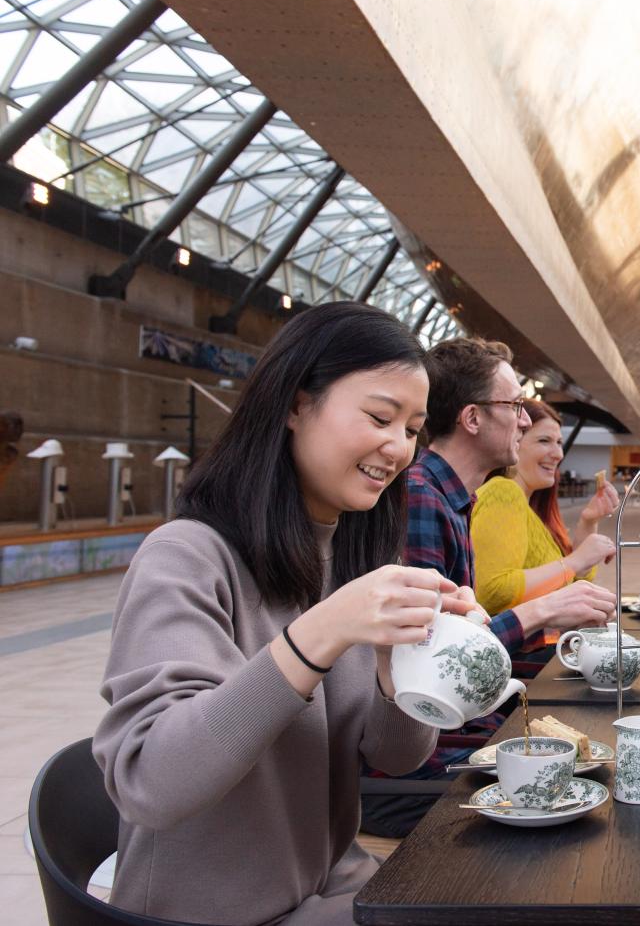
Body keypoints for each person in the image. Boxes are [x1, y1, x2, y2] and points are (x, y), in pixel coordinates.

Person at [92, 303, 475, 925]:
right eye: (380, 417)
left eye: (412, 429)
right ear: (296, 404)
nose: (398, 447)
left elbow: (398, 755)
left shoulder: (350, 557)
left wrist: (407, 663)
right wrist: (322, 633)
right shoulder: (187, 556)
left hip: (332, 890)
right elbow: (153, 782)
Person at [361, 337, 615, 837]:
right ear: (473, 418)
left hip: (449, 740)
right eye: (516, 406)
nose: (524, 420)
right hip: (415, 771)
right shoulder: (422, 498)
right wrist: (540, 612)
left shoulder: (452, 499)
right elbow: (430, 662)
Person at [471, 399, 619, 666]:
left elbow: (572, 584)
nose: (558, 453)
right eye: (544, 441)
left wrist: (588, 521)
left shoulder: (531, 509)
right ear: (515, 441)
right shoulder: (503, 492)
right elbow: (493, 591)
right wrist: (574, 561)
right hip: (513, 663)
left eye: (559, 443)